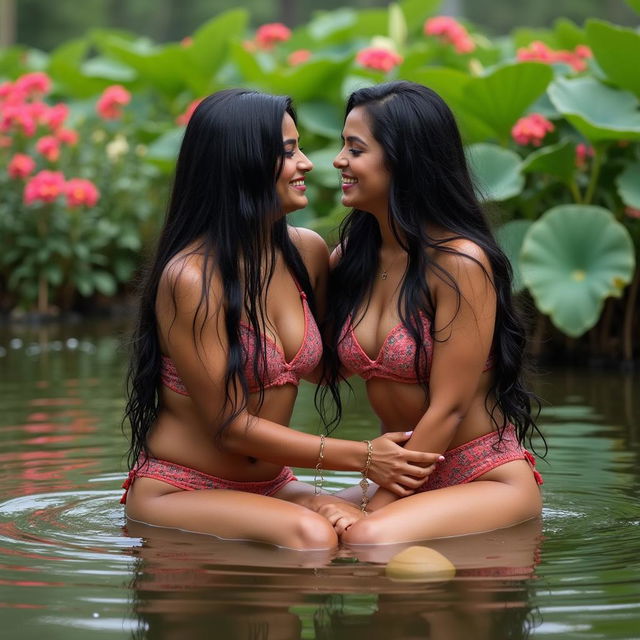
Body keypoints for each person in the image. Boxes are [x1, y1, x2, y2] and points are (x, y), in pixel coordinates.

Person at [121, 88, 440, 552]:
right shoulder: (191, 278)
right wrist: (365, 458)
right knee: (313, 536)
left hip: (273, 487)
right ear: (242, 164)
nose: (309, 163)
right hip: (182, 487)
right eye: (289, 152)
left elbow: (335, 363)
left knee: (391, 514)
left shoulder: (306, 253)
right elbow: (229, 425)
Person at [320, 81, 545, 543]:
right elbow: (307, 362)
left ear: (404, 160)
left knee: (365, 539)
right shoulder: (352, 260)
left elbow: (450, 407)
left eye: (355, 148)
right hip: (399, 475)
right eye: (343, 145)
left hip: (480, 476)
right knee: (297, 522)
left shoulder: (460, 264)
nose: (339, 160)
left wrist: (373, 507)